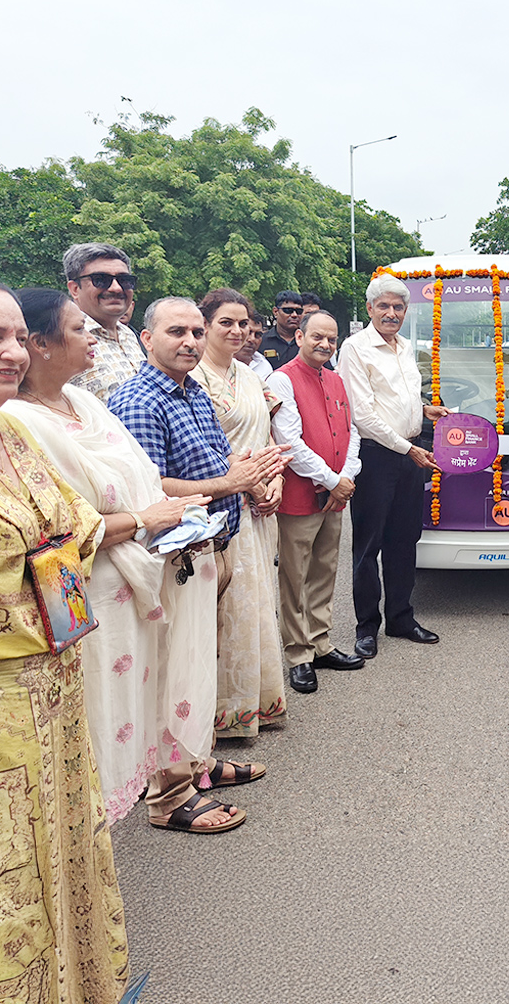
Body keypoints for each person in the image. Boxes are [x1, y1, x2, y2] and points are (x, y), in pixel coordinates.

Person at [0, 273, 129, 1002]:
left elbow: (78, 529)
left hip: (51, 703)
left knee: (60, 860)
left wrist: (43, 555)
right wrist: (49, 552)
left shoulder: (15, 429)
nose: (13, 353)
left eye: (19, 337)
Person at [3, 288, 217, 825]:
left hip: (142, 569)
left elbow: (141, 478)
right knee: (99, 716)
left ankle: (154, 795)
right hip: (92, 589)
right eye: (80, 328)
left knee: (138, 701)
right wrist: (149, 521)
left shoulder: (86, 401)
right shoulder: (18, 422)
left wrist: (175, 516)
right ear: (41, 345)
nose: (94, 336)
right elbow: (58, 527)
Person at [110, 298, 288, 831]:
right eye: (176, 332)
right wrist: (228, 484)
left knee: (197, 667)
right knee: (169, 672)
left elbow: (216, 461)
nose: (189, 341)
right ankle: (169, 795)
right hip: (174, 557)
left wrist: (251, 470)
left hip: (214, 546)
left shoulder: (192, 392)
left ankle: (197, 762)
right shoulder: (140, 399)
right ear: (146, 339)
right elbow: (151, 489)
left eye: (194, 331)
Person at [193, 289, 289, 735]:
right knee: (223, 610)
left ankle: (257, 703)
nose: (237, 331)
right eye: (225, 323)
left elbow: (268, 439)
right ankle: (217, 716)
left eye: (244, 323)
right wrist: (244, 481)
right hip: (218, 506)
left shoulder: (249, 375)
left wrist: (275, 480)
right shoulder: (193, 377)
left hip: (259, 509)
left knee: (256, 603)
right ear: (206, 325)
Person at [341, 274, 450, 657]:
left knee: (405, 541)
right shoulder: (355, 348)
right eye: (383, 306)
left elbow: (396, 399)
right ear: (369, 309)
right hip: (377, 456)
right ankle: (366, 626)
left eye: (398, 307)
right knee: (369, 545)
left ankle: (401, 618)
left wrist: (425, 410)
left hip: (410, 452)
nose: (391, 313)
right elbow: (363, 413)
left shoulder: (405, 347)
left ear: (405, 311)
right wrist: (408, 448)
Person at [270, 309, 365, 691]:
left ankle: (321, 643)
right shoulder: (281, 381)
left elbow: (352, 431)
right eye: (317, 337)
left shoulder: (337, 380)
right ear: (299, 337)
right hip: (301, 495)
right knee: (295, 576)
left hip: (336, 495)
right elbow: (289, 441)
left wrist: (346, 477)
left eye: (331, 339)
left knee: (325, 570)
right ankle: (298, 653)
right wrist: (331, 479)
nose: (325, 344)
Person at [64, 241, 144, 401]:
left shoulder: (129, 335)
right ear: (74, 289)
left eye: (124, 280)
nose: (116, 288)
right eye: (100, 279)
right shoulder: (62, 336)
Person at [259, 290, 304, 370]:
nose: (294, 315)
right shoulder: (261, 342)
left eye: (299, 311)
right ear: (276, 311)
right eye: (288, 311)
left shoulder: (307, 342)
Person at [239, 307, 273, 381]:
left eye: (258, 335)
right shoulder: (216, 364)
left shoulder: (264, 367)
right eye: (248, 333)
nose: (252, 339)